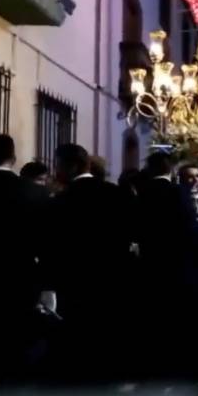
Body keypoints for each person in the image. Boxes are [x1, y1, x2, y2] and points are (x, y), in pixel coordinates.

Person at [45, 144, 136, 377]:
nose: (56, 171)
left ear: (72, 166)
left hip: (74, 281)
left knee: (78, 338)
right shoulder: (118, 194)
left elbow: (53, 247)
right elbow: (133, 234)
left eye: (58, 165)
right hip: (114, 277)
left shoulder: (61, 201)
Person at [0, 135, 51, 380]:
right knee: (16, 331)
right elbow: (46, 242)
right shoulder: (37, 193)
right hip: (22, 273)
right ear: (13, 158)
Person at [135, 151, 198, 375]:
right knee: (178, 317)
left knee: (154, 316)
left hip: (150, 263)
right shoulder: (177, 192)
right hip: (178, 265)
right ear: (171, 169)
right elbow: (189, 228)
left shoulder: (142, 193)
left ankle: (153, 362)